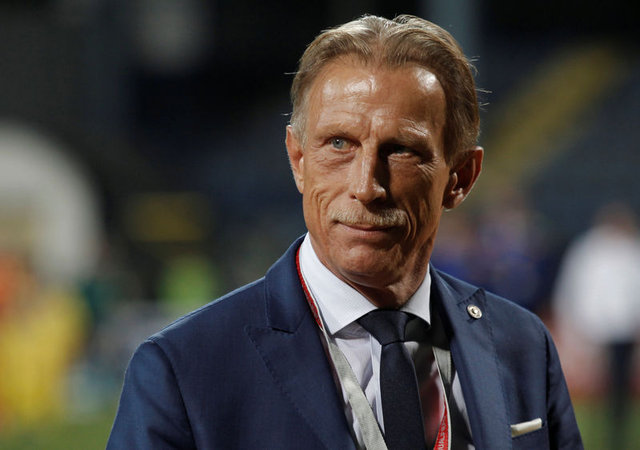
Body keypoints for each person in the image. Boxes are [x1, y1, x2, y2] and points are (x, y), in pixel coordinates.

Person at [108, 15, 582, 449]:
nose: (366, 186)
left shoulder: (521, 346)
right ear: (298, 159)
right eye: (338, 144)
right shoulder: (183, 368)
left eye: (401, 150)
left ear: (460, 178)